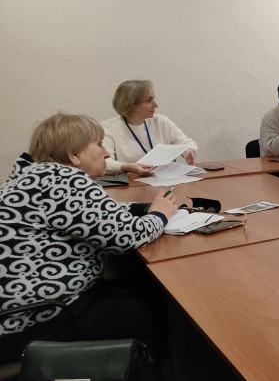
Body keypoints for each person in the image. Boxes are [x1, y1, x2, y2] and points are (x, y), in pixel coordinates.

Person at [0, 113, 177, 365]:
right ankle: (146, 368)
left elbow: (92, 214)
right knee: (151, 310)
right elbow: (127, 237)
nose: (106, 153)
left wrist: (143, 208)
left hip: (14, 313)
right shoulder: (65, 181)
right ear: (74, 155)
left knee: (135, 286)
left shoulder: (34, 177)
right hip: (41, 317)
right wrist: (159, 215)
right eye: (99, 145)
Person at [101, 79, 198, 176]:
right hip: (131, 182)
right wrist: (128, 167)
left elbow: (187, 142)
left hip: (166, 179)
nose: (155, 105)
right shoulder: (108, 127)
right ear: (130, 104)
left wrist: (188, 150)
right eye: (149, 100)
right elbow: (105, 163)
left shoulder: (161, 121)